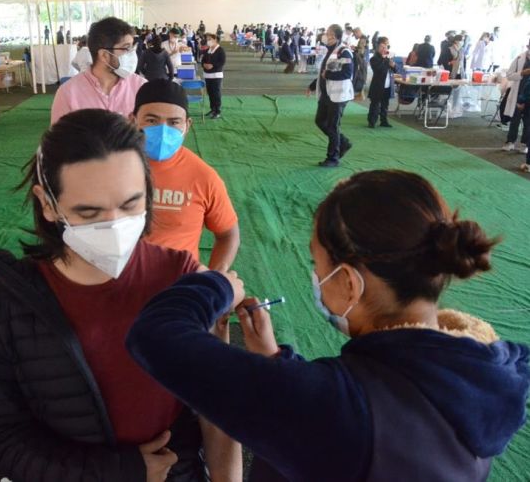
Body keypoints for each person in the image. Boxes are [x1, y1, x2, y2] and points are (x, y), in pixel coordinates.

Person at [127, 169, 530, 482]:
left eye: (316, 264)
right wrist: (273, 361)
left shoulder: (337, 409)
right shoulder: (493, 367)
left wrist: (215, 283)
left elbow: (155, 334)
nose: (315, 276)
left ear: (349, 282)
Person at [0, 108, 241, 482]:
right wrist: (116, 472)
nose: (115, 226)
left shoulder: (185, 280)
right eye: (89, 212)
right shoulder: (2, 311)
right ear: (47, 203)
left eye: (130, 205)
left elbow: (217, 409)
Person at [131, 79, 240, 269]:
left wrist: (214, 281)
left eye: (174, 122)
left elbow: (228, 234)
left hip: (178, 289)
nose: (163, 130)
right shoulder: (110, 170)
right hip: (119, 284)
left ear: (187, 125)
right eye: (151, 120)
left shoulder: (204, 177)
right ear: (133, 121)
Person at [50, 17, 146, 124]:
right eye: (126, 48)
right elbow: (59, 139)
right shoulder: (68, 94)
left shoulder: (142, 88)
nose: (131, 54)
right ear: (104, 55)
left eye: (132, 47)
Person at [308, 24, 354, 168]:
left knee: (333, 126)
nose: (325, 36)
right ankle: (343, 142)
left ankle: (333, 158)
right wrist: (312, 85)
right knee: (320, 121)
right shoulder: (330, 51)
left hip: (338, 95)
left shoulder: (344, 52)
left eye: (327, 33)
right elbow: (325, 71)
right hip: (326, 94)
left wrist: (327, 75)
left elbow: (347, 73)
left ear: (334, 36)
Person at [501, 38, 530, 153]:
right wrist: (522, 73)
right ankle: (510, 141)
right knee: (515, 119)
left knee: (528, 122)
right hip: (519, 95)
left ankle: (525, 144)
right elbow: (509, 75)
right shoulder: (519, 58)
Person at [368, 36, 396, 129]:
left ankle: (384, 121)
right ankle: (372, 121)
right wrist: (384, 59)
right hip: (377, 85)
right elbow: (378, 69)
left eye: (386, 47)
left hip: (388, 85)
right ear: (377, 47)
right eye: (382, 47)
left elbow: (396, 70)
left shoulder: (389, 58)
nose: (384, 49)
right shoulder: (374, 59)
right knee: (375, 105)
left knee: (385, 104)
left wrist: (393, 65)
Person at [201, 33, 226, 120]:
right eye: (207, 39)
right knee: (210, 93)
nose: (208, 41)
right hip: (207, 75)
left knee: (216, 93)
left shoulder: (220, 50)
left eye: (209, 39)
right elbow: (202, 60)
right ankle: (212, 109)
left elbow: (222, 62)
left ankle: (217, 111)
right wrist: (204, 65)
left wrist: (213, 66)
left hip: (216, 75)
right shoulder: (208, 50)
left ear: (215, 39)